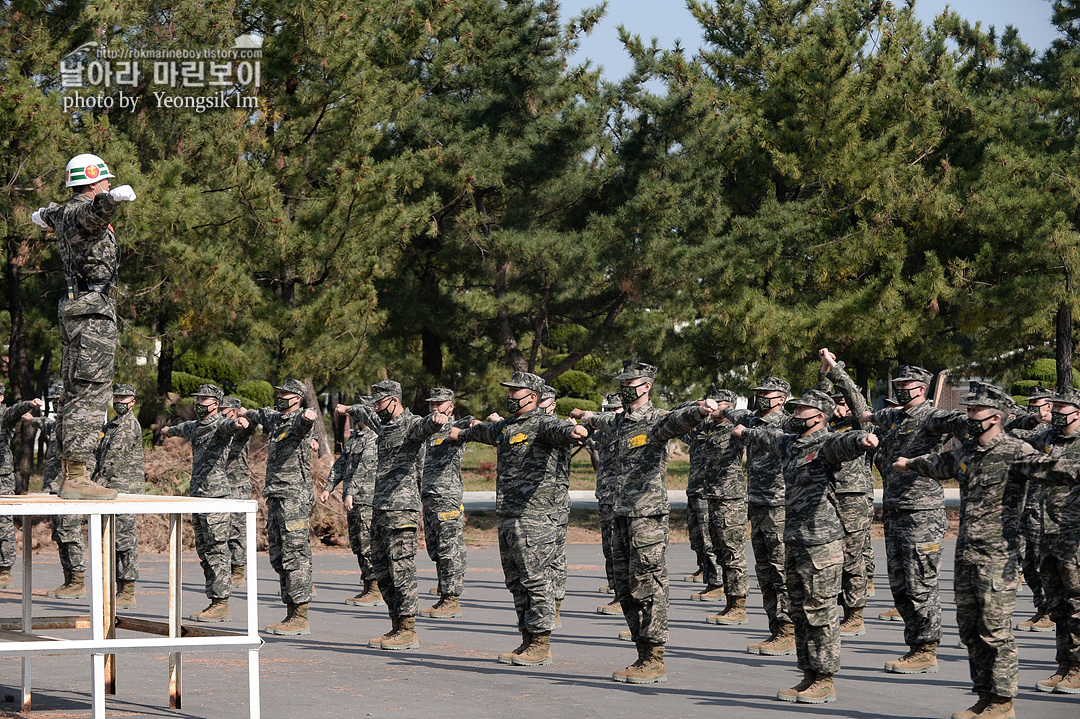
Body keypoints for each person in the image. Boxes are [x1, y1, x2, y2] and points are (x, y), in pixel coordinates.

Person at [894, 382, 1033, 719]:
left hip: (998, 559)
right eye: (968, 410)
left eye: (975, 411)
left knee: (995, 631)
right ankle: (984, 697)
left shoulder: (1016, 452)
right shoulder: (967, 453)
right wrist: (909, 463)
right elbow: (938, 463)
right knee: (970, 631)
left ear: (996, 417)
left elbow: (1058, 470)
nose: (968, 415)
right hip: (967, 555)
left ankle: (1002, 702)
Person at [573, 361, 716, 684]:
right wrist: (583, 416)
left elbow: (679, 420)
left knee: (649, 584)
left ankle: (655, 656)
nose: (625, 388)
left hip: (646, 517)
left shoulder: (656, 420)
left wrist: (700, 411)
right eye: (622, 383)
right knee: (624, 586)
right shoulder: (619, 420)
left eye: (631, 383)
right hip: (619, 513)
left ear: (647, 385)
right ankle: (641, 653)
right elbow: (600, 420)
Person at [733, 388, 879, 704]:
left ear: (819, 416)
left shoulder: (827, 443)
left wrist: (862, 440)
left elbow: (846, 443)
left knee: (820, 611)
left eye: (802, 410)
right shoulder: (790, 443)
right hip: (795, 538)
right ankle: (808, 675)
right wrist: (741, 428)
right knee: (800, 611)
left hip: (822, 542)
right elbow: (761, 436)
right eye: (795, 409)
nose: (795, 414)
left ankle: (825, 680)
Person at [452, 371, 587, 666]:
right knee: (516, 581)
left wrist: (573, 432)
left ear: (533, 397)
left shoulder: (544, 424)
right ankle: (527, 639)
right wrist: (460, 433)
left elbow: (560, 430)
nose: (510, 396)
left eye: (516, 391)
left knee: (536, 579)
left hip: (536, 516)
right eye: (510, 391)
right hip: (509, 515)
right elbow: (484, 432)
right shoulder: (507, 427)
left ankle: (541, 643)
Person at [33, 154, 136, 500]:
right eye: (104, 181)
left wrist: (41, 216)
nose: (107, 184)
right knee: (90, 392)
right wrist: (112, 199)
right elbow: (95, 212)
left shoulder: (63, 213)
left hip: (80, 310)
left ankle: (67, 474)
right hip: (92, 312)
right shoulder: (83, 212)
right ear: (93, 182)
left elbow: (52, 213)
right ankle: (76, 477)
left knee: (76, 391)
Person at [857, 365, 965, 675]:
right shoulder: (894, 417)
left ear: (921, 388)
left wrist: (926, 462)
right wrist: (835, 370)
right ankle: (915, 644)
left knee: (921, 584)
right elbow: (866, 413)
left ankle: (925, 649)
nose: (899, 389)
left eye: (905, 385)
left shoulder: (932, 416)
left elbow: (962, 424)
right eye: (898, 384)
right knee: (900, 586)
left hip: (922, 513)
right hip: (894, 510)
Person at [350, 380, 448, 651]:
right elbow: (362, 412)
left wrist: (437, 420)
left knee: (401, 568)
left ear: (393, 400)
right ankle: (395, 624)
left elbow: (425, 426)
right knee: (382, 570)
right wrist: (349, 408)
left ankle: (408, 629)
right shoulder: (384, 424)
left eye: (379, 403)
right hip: (379, 507)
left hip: (401, 510)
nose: (376, 408)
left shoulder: (411, 423)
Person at [1009, 386, 1080, 695]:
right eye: (1055, 407)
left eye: (1063, 407)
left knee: (1078, 603)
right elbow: (1012, 444)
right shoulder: (1046, 438)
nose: (1056, 412)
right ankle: (1064, 666)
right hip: (1046, 534)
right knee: (1058, 606)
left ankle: (1078, 669)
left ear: (1077, 412)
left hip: (1074, 536)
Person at [162, 384, 249, 621]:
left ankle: (221, 603)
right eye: (197, 399)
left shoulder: (220, 424)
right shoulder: (195, 426)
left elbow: (230, 425)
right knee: (204, 550)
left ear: (216, 404)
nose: (199, 403)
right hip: (198, 494)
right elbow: (182, 428)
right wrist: (168, 430)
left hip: (215, 496)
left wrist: (239, 423)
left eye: (204, 400)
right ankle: (214, 600)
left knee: (217, 549)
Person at [241, 379, 318, 635]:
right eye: (280, 392)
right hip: (275, 495)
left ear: (297, 398)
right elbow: (258, 413)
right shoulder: (275, 419)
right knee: (279, 555)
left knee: (295, 555)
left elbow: (305, 424)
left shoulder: (297, 420)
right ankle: (290, 611)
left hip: (293, 497)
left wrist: (308, 416)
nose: (281, 396)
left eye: (286, 393)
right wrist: (244, 414)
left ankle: (300, 615)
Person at [724, 376, 794, 655]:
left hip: (780, 506)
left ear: (782, 398)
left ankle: (787, 630)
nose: (761, 397)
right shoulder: (751, 420)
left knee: (781, 571)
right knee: (764, 571)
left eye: (768, 393)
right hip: (757, 503)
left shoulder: (789, 423)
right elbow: (734, 412)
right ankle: (775, 629)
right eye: (759, 392)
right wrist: (720, 409)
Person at [680, 389, 751, 627]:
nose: (714, 408)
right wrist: (698, 404)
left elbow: (751, 418)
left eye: (719, 404)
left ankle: (738, 605)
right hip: (706, 495)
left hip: (730, 498)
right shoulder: (703, 428)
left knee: (732, 553)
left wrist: (727, 411)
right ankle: (727, 599)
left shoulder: (736, 427)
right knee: (715, 548)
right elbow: (674, 415)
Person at [818, 350, 876, 637]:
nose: (840, 407)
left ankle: (855, 615)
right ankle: (833, 609)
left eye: (843, 403)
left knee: (853, 558)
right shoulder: (826, 424)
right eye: (835, 403)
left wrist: (834, 368)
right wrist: (823, 371)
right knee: (828, 557)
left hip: (853, 496)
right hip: (827, 494)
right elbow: (818, 400)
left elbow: (854, 396)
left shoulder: (862, 422)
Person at [417, 388, 474, 619]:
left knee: (448, 549)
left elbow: (472, 423)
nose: (433, 408)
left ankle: (451, 599)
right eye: (431, 404)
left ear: (450, 407)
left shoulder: (456, 426)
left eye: (439, 404)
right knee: (436, 549)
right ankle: (446, 591)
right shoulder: (427, 431)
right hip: (429, 496)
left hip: (447, 496)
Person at [1006, 386, 1054, 633]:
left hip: (1046, 508)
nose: (1034, 407)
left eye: (1039, 403)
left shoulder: (1054, 432)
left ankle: (1051, 610)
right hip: (1025, 502)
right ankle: (1042, 608)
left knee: (1043, 559)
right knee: (1027, 561)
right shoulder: (1026, 427)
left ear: (1050, 405)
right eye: (1031, 403)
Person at [92, 383, 144, 607]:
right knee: (111, 539)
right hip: (109, 490)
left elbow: (113, 459)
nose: (119, 402)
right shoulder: (111, 425)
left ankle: (127, 589)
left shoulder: (127, 426)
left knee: (124, 541)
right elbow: (98, 453)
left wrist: (96, 484)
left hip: (124, 490)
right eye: (117, 397)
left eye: (124, 398)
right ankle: (117, 587)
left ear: (132, 402)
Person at [325, 398, 381, 607]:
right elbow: (342, 464)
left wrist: (350, 492)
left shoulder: (373, 437)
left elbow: (365, 467)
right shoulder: (356, 438)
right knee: (357, 543)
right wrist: (328, 488)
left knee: (367, 543)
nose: (354, 414)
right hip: (355, 499)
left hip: (366, 498)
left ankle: (375, 588)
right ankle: (367, 585)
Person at [0, 385, 43, 587]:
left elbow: (15, 411)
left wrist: (29, 404)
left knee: (3, 523)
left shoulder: (4, 415)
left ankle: (4, 569)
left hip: (1, 477)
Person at [221, 397, 257, 588]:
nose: (221, 414)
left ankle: (238, 570)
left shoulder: (242, 430)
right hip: (220, 486)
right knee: (222, 529)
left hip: (238, 485)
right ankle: (226, 568)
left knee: (237, 530)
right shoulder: (219, 428)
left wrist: (246, 415)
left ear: (234, 411)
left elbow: (253, 425)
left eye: (225, 410)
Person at [594, 394, 624, 618]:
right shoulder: (602, 434)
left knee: (621, 550)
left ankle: (623, 598)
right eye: (609, 410)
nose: (611, 414)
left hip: (622, 499)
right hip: (605, 496)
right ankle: (616, 589)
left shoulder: (625, 431)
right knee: (609, 549)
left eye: (616, 410)